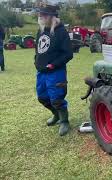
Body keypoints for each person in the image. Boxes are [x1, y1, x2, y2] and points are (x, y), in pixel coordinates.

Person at [35, 4, 73, 136]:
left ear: (52, 17)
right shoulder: (40, 30)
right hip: (41, 72)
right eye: (40, 14)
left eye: (44, 14)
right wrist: (36, 61)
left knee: (57, 98)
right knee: (42, 97)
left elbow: (68, 53)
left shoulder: (61, 32)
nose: (41, 16)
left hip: (56, 72)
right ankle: (56, 115)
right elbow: (38, 49)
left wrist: (53, 65)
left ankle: (64, 121)